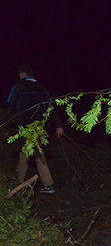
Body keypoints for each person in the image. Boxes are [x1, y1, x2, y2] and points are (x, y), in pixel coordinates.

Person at [6, 62, 64, 194]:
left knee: (30, 155)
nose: (19, 76)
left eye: (19, 74)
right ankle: (46, 185)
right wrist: (58, 125)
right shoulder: (41, 88)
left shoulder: (18, 87)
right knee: (32, 154)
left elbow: (10, 107)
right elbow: (50, 107)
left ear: (23, 74)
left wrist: (8, 125)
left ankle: (18, 184)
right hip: (39, 128)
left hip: (25, 128)